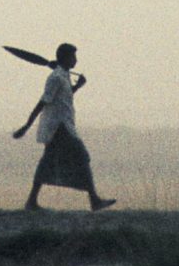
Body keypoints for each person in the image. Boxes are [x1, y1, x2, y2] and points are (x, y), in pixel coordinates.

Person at [12, 42, 115, 211]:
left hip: (63, 125)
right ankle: (94, 200)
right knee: (81, 156)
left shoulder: (63, 76)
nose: (76, 60)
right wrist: (26, 125)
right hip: (59, 127)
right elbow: (43, 102)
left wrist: (77, 86)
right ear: (66, 58)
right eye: (73, 56)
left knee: (47, 162)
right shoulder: (55, 78)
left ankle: (31, 201)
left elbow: (63, 98)